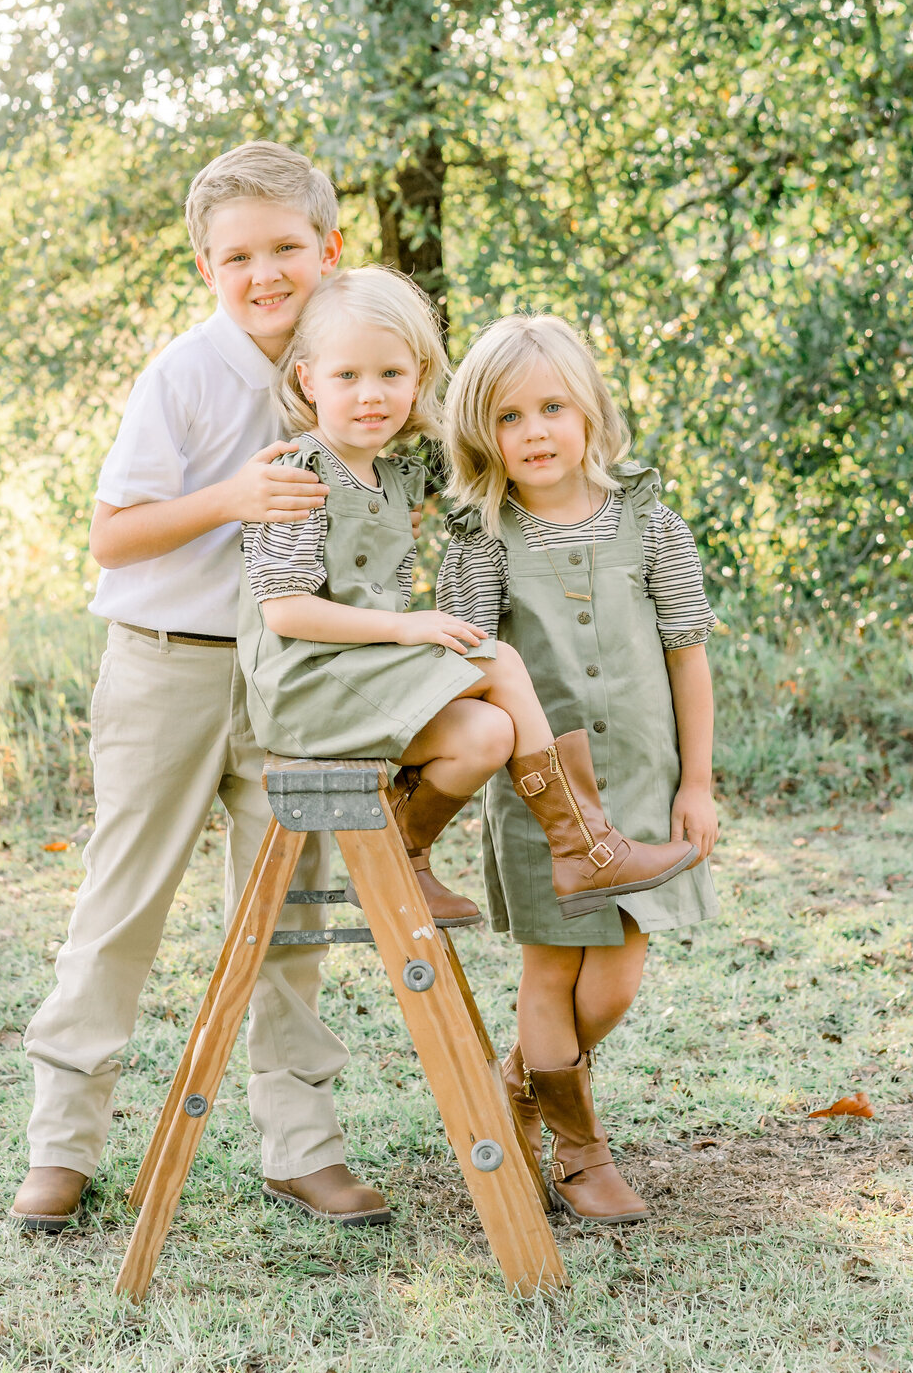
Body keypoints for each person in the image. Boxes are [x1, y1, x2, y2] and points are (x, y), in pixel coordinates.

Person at [13, 141, 396, 1232]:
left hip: (298, 677)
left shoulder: (355, 363)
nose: (266, 272)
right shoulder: (185, 373)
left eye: (287, 247)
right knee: (121, 900)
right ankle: (63, 1143)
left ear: (331, 248)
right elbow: (113, 535)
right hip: (168, 664)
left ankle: (302, 1145)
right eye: (240, 255)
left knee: (289, 909)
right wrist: (232, 496)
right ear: (208, 267)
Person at [238, 267, 693, 935]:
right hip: (309, 685)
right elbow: (284, 612)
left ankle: (407, 850)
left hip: (357, 679)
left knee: (489, 734)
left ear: (418, 380)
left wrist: (404, 631)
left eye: (392, 375)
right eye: (348, 377)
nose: (372, 395)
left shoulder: (389, 478)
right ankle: (586, 848)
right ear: (308, 380)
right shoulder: (295, 473)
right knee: (500, 662)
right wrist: (406, 629)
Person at [438, 313, 720, 1225]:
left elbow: (687, 651)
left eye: (552, 407)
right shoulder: (482, 539)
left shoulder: (651, 522)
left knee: (616, 977)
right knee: (553, 969)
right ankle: (580, 1153)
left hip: (639, 785)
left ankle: (519, 1079)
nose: (536, 433)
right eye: (510, 418)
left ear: (590, 410)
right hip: (543, 800)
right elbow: (467, 658)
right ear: (483, 436)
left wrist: (698, 782)